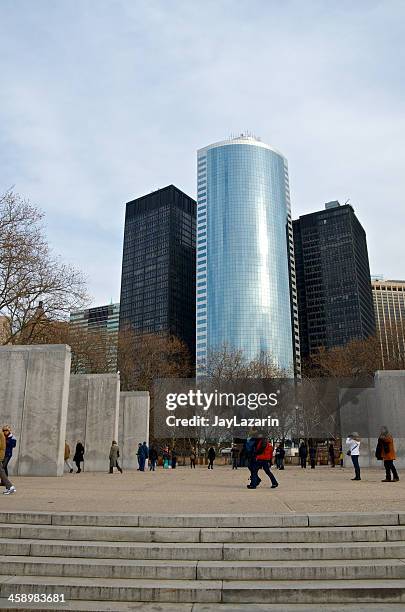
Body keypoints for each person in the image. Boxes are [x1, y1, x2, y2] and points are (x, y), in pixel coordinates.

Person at [0, 428, 16, 495]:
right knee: (1, 470)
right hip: (3, 454)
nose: (5, 431)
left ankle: (10, 487)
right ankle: (9, 487)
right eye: (4, 430)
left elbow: (2, 446)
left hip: (5, 454)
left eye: (6, 430)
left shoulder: (2, 435)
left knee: (2, 470)